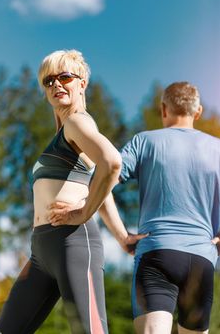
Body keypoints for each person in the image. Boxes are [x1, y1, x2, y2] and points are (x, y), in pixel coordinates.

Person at [50, 81, 220, 334]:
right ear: (198, 112)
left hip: (156, 253)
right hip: (202, 259)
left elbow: (105, 177)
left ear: (164, 109)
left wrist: (121, 235)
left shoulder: (144, 141)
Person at [0, 49, 142, 334]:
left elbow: (111, 162)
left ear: (82, 82)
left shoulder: (77, 121)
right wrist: (122, 236)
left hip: (73, 242)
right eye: (48, 81)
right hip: (41, 252)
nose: (56, 85)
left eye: (65, 77)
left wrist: (84, 212)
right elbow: (99, 184)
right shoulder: (65, 132)